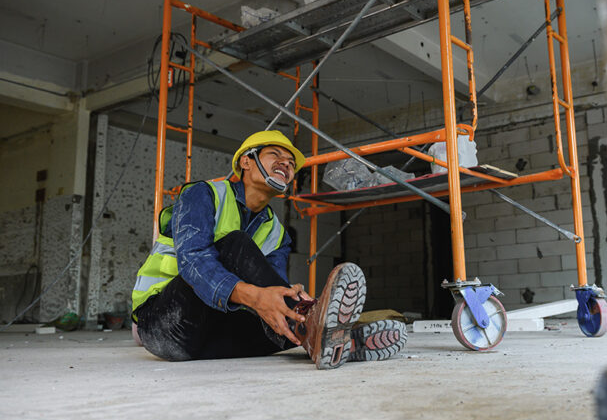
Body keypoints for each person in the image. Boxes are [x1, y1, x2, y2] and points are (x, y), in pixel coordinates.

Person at [131, 130, 406, 369]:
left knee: (284, 324)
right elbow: (192, 261)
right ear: (246, 161)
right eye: (275, 155)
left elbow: (273, 294)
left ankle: (326, 337)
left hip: (208, 338)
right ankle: (317, 328)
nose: (285, 165)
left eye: (290, 164)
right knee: (235, 243)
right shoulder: (203, 195)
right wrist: (259, 298)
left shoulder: (278, 234)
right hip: (165, 324)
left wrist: (286, 305)